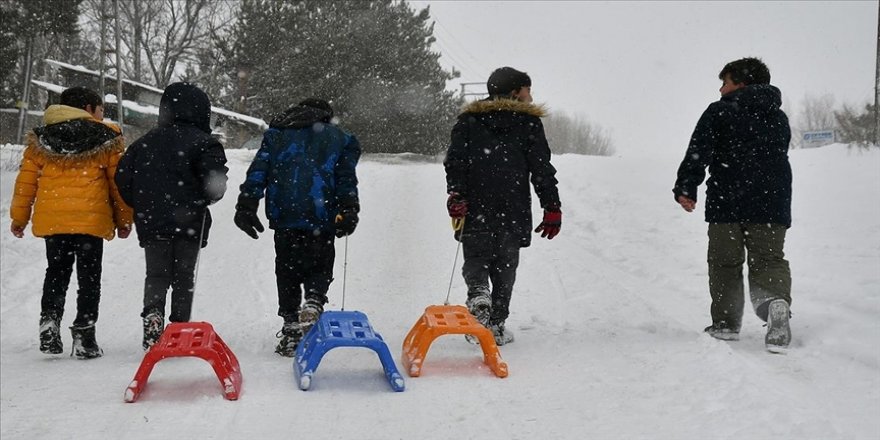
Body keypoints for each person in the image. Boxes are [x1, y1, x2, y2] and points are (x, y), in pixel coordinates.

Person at [672, 57, 793, 353]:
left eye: (725, 82)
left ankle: (726, 324)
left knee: (725, 262)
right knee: (769, 260)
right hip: (771, 202)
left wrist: (687, 186)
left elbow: (699, 151)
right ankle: (775, 303)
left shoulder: (720, 111)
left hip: (728, 201)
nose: (721, 89)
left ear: (741, 83)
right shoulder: (778, 116)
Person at [9, 86, 133, 359]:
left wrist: (19, 217)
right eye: (100, 110)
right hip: (90, 221)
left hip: (55, 221)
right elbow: (118, 183)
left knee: (56, 272)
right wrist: (124, 219)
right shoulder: (106, 136)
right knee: (89, 278)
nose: (102, 115)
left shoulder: (41, 139)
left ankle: (49, 322)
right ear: (88, 108)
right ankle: (85, 335)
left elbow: (26, 183)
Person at [444, 66, 562, 346]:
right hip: (513, 207)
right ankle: (496, 325)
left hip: (476, 205)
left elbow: (455, 161)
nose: (531, 97)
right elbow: (542, 169)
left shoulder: (469, 121)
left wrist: (457, 193)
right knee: (505, 266)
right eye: (528, 90)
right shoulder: (529, 123)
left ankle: (478, 293)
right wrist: (551, 206)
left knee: (476, 257)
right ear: (515, 92)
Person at [234, 98, 360, 357]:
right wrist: (349, 208)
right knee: (321, 263)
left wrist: (247, 204)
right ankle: (313, 300)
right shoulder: (339, 138)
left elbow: (259, 170)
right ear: (326, 116)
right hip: (322, 213)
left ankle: (291, 326)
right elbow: (345, 177)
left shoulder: (277, 135)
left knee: (287, 268)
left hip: (285, 214)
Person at [115, 82, 228, 350]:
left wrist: (141, 203)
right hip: (190, 221)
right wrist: (206, 197)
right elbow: (215, 185)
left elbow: (123, 178)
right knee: (183, 277)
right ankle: (178, 326)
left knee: (156, 274)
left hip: (152, 221)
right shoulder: (205, 143)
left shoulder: (144, 143)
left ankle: (153, 315)